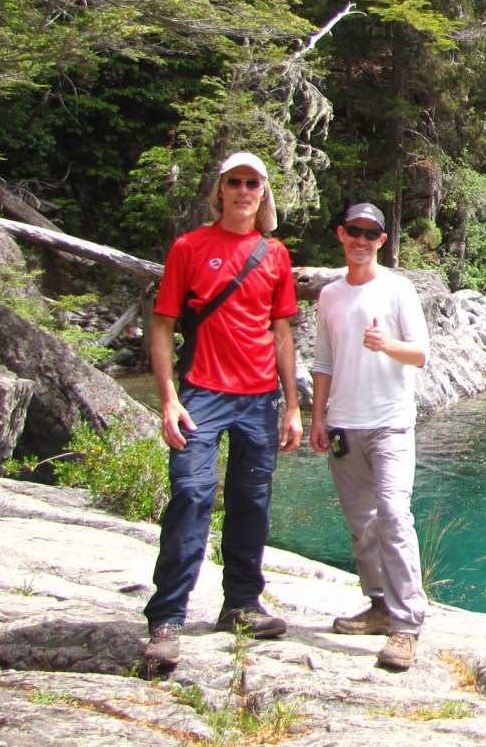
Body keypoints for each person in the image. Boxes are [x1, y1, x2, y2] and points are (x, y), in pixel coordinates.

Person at [142, 151, 302, 672]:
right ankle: (167, 616)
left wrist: (293, 406)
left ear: (263, 194)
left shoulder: (275, 254)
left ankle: (240, 604)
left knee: (252, 501)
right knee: (191, 493)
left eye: (251, 183)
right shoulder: (190, 247)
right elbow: (163, 324)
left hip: (259, 398)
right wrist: (167, 397)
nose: (242, 190)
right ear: (220, 191)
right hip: (201, 392)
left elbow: (281, 332)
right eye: (233, 182)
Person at [309, 201, 430, 671]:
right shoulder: (330, 296)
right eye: (354, 232)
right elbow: (323, 362)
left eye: (371, 234)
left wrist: (386, 345)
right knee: (362, 525)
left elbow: (420, 355)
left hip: (391, 423)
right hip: (343, 424)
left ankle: (406, 623)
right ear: (341, 235)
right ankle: (378, 603)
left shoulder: (398, 290)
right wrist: (317, 418)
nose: (361, 240)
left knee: (395, 517)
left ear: (383, 240)